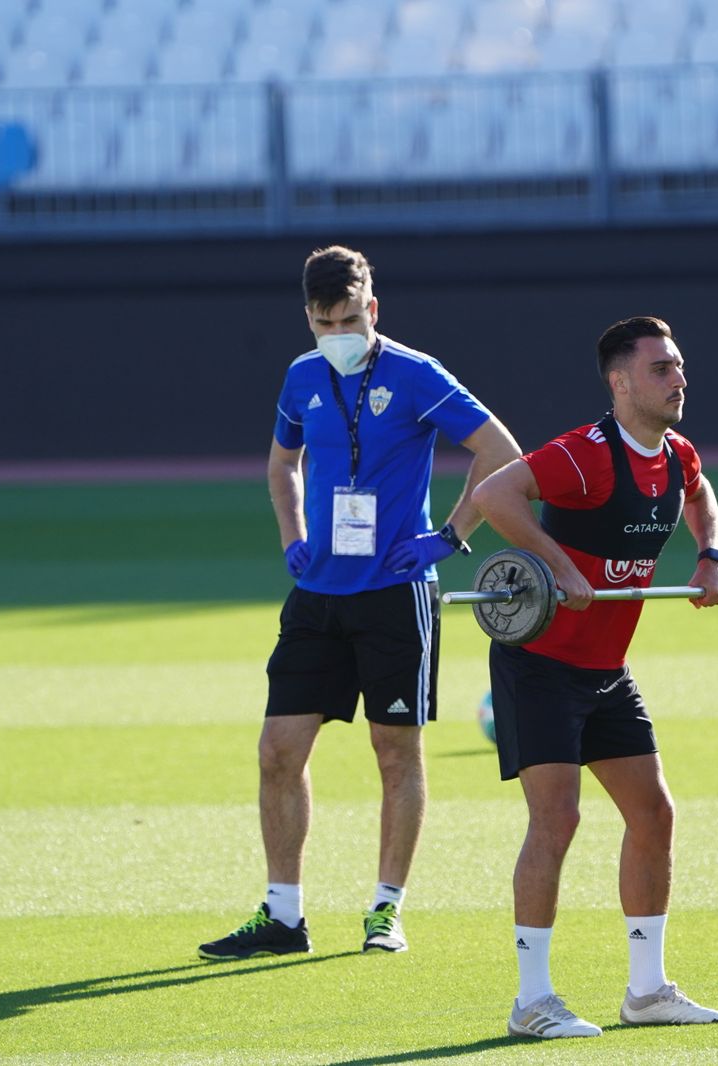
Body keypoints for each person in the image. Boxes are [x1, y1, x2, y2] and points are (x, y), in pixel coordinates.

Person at [199, 245, 520, 961]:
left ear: (372, 310)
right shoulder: (302, 375)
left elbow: (500, 449)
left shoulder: (415, 373)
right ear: (308, 318)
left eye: (348, 318)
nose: (336, 333)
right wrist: (294, 538)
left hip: (395, 593)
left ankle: (386, 910)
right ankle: (283, 916)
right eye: (323, 322)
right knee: (278, 751)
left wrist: (450, 536)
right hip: (318, 592)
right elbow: (284, 462)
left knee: (394, 751)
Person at [470, 315, 718, 1038]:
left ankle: (646, 992)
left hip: (606, 670)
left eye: (679, 367)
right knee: (557, 820)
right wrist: (556, 565)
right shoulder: (584, 456)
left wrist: (710, 554)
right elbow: (495, 495)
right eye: (661, 369)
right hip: (541, 665)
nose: (679, 379)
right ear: (620, 382)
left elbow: (698, 491)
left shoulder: (675, 453)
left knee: (654, 814)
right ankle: (531, 1003)